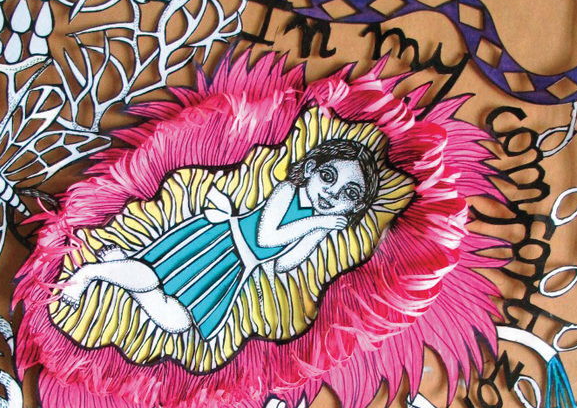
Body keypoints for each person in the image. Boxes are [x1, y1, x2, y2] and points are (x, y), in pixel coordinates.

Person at [59, 139, 379, 341]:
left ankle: (118, 266)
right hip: (220, 241)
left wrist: (317, 232)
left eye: (349, 194)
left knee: (177, 321)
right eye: (328, 176)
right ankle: (88, 273)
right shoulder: (288, 191)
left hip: (234, 270)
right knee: (155, 276)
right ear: (310, 168)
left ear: (354, 208)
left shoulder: (318, 224)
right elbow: (266, 238)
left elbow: (284, 262)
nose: (332, 194)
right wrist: (316, 222)